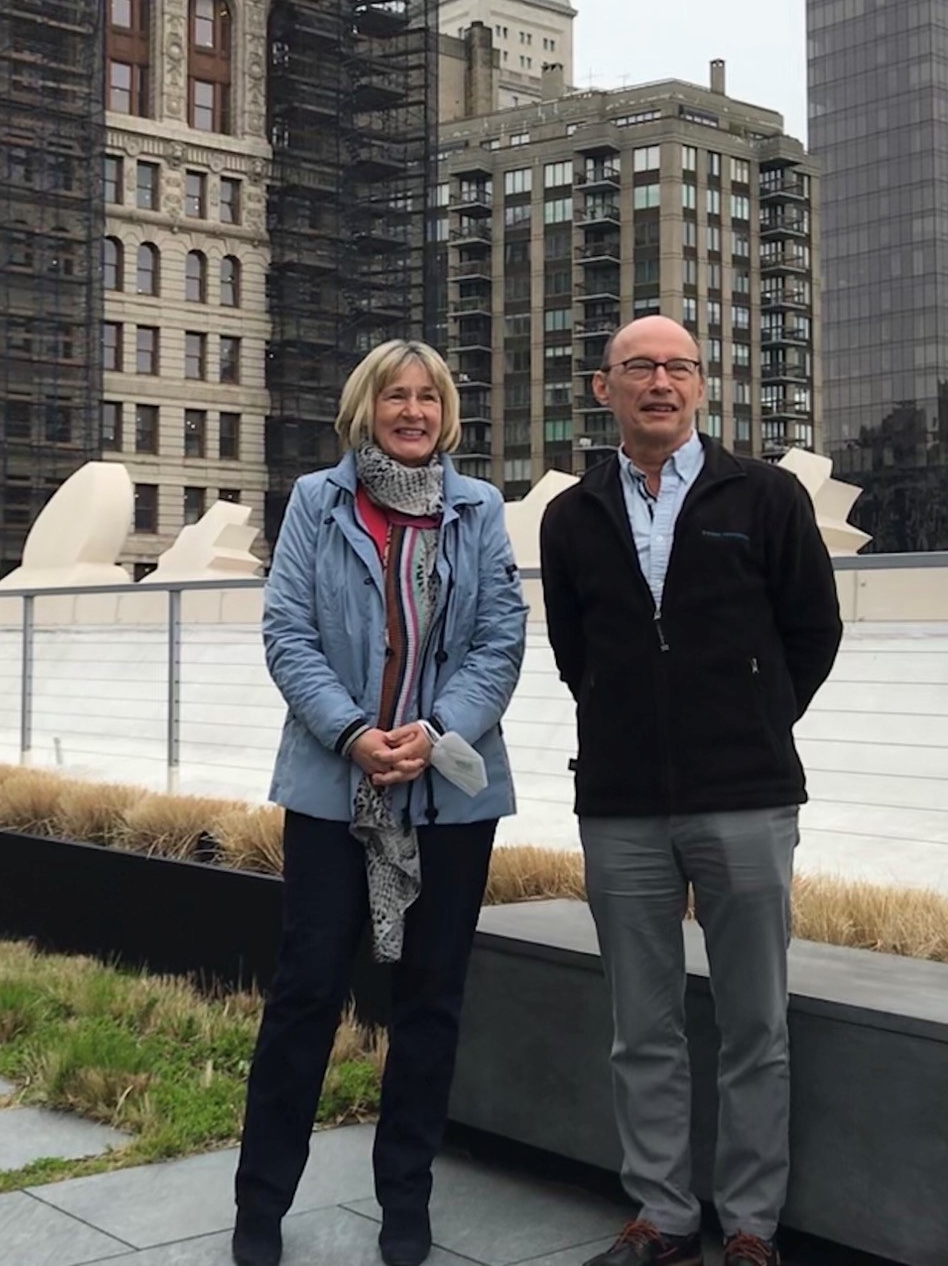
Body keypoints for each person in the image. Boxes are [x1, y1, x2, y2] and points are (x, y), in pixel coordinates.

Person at [539, 315, 843, 1266]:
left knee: (756, 1023)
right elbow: (573, 650)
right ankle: (664, 1217)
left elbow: (813, 631)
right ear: (605, 389)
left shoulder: (767, 497)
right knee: (644, 1026)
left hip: (744, 796)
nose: (660, 382)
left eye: (679, 367)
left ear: (704, 386)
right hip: (622, 803)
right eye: (640, 368)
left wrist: (750, 723)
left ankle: (751, 1226)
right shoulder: (572, 514)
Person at [232, 339, 528, 1266]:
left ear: (446, 414)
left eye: (428, 398)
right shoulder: (318, 504)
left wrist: (435, 734)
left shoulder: (479, 511)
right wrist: (355, 733)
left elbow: (500, 638)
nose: (413, 412)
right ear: (366, 409)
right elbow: (287, 634)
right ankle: (259, 1210)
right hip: (332, 794)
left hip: (448, 796)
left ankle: (406, 1203)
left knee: (430, 1004)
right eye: (395, 397)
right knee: (307, 995)